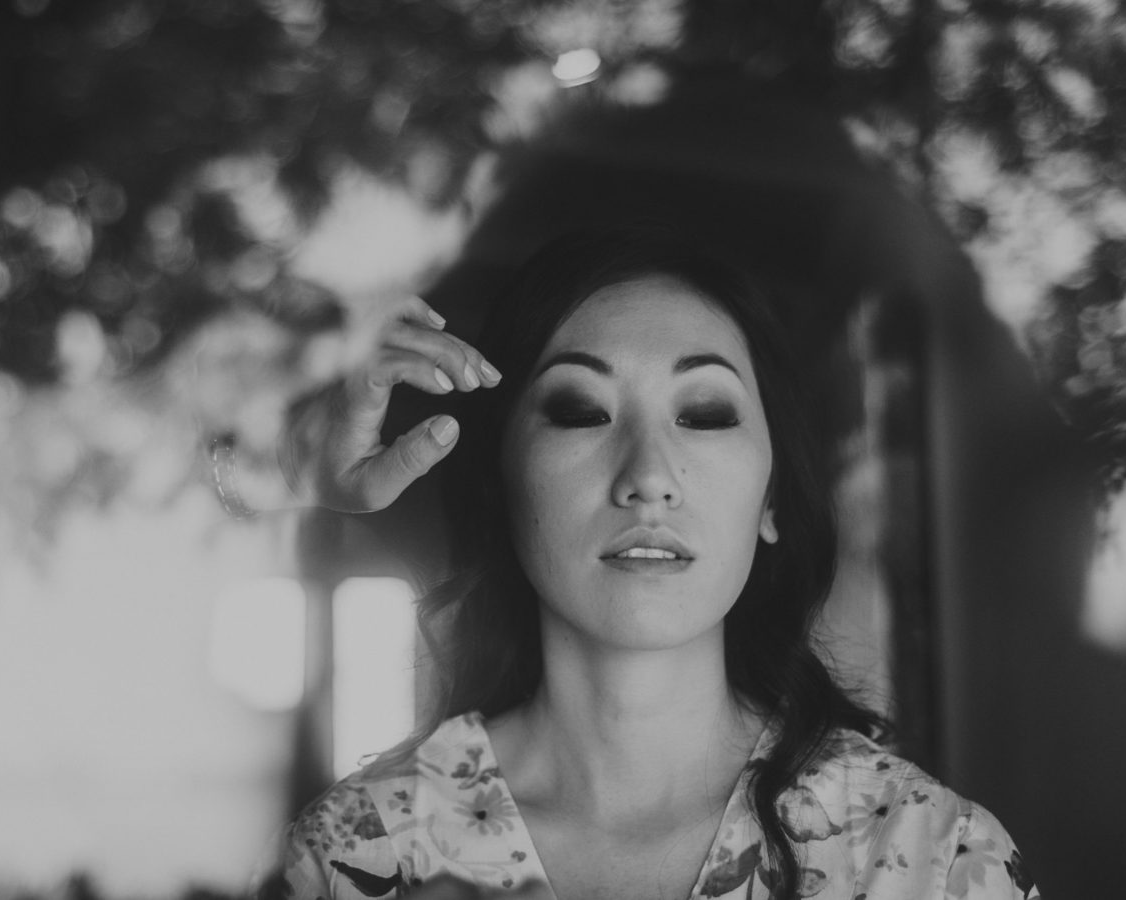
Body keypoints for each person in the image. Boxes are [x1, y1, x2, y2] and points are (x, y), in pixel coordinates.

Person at [258, 228, 1039, 900]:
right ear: (502, 483)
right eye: (579, 411)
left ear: (772, 501)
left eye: (703, 414)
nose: (649, 477)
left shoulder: (933, 860)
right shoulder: (353, 856)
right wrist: (269, 466)